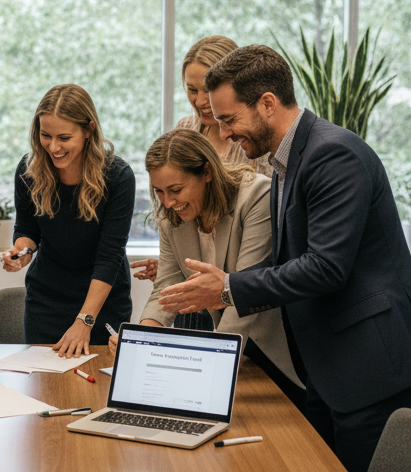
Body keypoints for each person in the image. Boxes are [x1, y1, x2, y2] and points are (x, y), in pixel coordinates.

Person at [158, 44, 411, 472]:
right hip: (327, 359)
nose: (225, 133)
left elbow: (326, 267)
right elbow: (288, 258)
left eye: (229, 119)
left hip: (371, 359)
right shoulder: (284, 159)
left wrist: (230, 287)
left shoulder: (333, 155)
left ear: (268, 104)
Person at [109, 128, 303, 404]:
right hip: (236, 350)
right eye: (159, 191)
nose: (168, 202)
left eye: (176, 190)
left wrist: (211, 367)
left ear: (207, 173)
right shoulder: (171, 217)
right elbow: (167, 286)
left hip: (278, 347)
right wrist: (141, 339)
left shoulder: (256, 196)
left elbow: (242, 291)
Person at [2, 84, 134, 358]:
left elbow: (110, 257)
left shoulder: (118, 177)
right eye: (45, 135)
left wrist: (84, 320)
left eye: (64, 137)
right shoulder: (29, 170)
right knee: (44, 390)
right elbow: (28, 230)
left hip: (103, 305)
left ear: (88, 130)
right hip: (46, 302)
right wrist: (22, 252)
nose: (53, 146)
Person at [132, 35, 270, 284]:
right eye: (191, 90)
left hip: (243, 281)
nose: (199, 101)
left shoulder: (257, 141)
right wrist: (172, 266)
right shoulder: (185, 127)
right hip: (194, 282)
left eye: (207, 90)